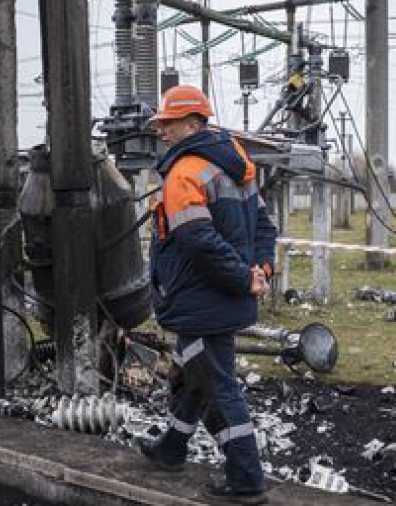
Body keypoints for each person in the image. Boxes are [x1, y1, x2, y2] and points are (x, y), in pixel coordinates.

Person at [137, 85, 277, 505]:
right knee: (189, 374)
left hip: (202, 299)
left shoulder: (185, 173)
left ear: (194, 123)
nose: (161, 132)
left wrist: (243, 278)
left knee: (217, 387)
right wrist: (260, 271)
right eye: (160, 124)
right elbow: (265, 228)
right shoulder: (238, 166)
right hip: (219, 297)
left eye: (168, 124)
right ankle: (172, 448)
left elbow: (197, 239)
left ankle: (247, 480)